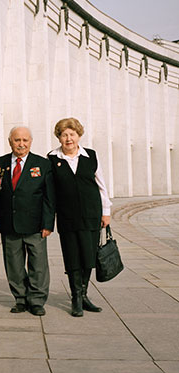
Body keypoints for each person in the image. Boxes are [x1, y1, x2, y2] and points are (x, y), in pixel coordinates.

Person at [48, 117, 111, 317]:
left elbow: (101, 185)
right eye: (64, 135)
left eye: (72, 134)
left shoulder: (90, 156)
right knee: (72, 256)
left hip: (91, 215)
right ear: (59, 137)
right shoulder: (52, 158)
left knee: (88, 256)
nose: (68, 139)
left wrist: (106, 211)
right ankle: (76, 297)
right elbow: (49, 191)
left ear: (79, 135)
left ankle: (84, 295)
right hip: (67, 217)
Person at [0, 126, 55, 316]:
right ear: (10, 141)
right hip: (9, 224)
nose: (21, 144)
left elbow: (49, 198)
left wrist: (47, 224)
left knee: (38, 265)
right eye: (17, 140)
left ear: (31, 141)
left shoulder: (43, 164)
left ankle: (37, 300)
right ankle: (20, 299)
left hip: (35, 225)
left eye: (25, 140)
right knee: (14, 264)